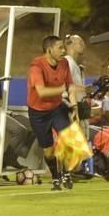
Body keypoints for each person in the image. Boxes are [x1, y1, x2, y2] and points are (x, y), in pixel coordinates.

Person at [27, 35, 78, 190]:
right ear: (49, 50)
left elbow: (71, 86)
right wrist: (62, 89)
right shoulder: (36, 66)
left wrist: (74, 106)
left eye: (64, 47)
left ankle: (67, 173)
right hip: (38, 112)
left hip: (56, 108)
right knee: (48, 151)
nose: (64, 51)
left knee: (68, 140)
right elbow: (41, 92)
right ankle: (56, 177)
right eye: (60, 48)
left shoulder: (64, 64)